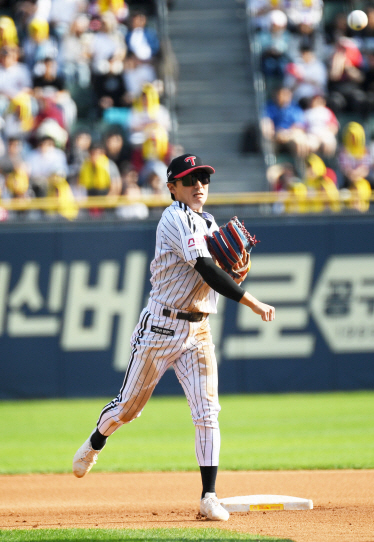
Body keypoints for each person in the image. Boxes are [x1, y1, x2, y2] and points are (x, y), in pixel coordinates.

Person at [72, 153, 276, 521]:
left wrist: (238, 273)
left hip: (198, 330)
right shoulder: (175, 218)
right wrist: (251, 301)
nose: (199, 186)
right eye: (189, 180)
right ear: (172, 188)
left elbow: (217, 271)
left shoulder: (209, 221)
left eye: (203, 179)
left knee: (207, 412)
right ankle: (96, 441)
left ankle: (208, 496)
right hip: (161, 328)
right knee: (128, 409)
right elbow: (205, 267)